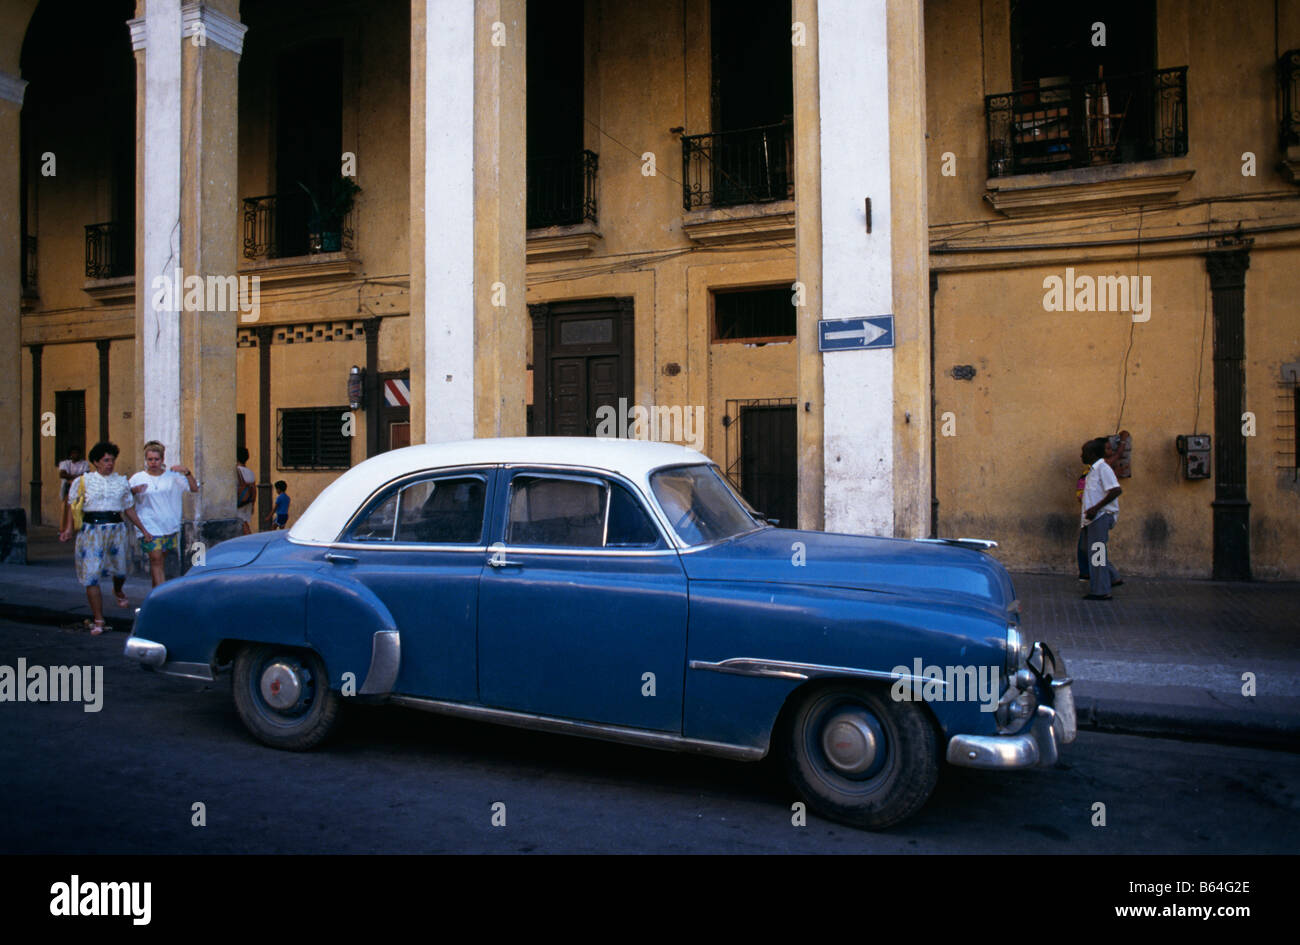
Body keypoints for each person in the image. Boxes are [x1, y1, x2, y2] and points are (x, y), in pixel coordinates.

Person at [58, 441, 153, 635]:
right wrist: (68, 529)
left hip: (116, 529)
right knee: (91, 577)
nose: (110, 464)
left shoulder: (121, 482)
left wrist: (143, 529)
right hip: (91, 531)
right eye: (106, 460)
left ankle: (118, 590)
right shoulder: (83, 481)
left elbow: (128, 508)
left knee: (120, 571)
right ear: (96, 462)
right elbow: (72, 505)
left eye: (112, 460)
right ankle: (99, 620)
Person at [129, 440, 199, 587]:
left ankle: (154, 594)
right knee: (156, 559)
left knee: (160, 561)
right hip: (148, 525)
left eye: (156, 459)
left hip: (169, 525)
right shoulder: (137, 478)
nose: (153, 462)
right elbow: (125, 498)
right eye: (150, 459)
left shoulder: (173, 477)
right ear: (146, 460)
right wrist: (133, 491)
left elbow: (194, 488)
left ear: (162, 459)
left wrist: (187, 472)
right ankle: (161, 597)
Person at [1080, 437, 1123, 600]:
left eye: (1083, 453)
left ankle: (1101, 590)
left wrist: (1096, 508)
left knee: (1097, 553)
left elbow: (1115, 490)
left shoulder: (1103, 469)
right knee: (1087, 548)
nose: (1081, 456)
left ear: (1092, 454)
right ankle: (1112, 576)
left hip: (1100, 517)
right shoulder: (1093, 470)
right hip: (1091, 519)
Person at [236, 447, 256, 535]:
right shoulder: (250, 472)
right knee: (244, 522)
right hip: (248, 501)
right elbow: (254, 489)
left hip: (240, 501)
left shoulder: (236, 471)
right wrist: (253, 504)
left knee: (243, 523)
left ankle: (250, 539)